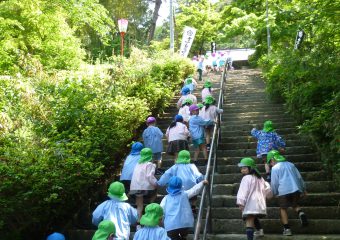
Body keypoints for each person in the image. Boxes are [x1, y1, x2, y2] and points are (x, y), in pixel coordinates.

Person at [267, 150, 308, 236]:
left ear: (272, 160)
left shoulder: (275, 168)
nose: (270, 165)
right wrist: (303, 189)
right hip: (296, 188)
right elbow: (299, 177)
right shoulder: (291, 164)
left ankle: (287, 229)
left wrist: (274, 192)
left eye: (270, 162)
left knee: (283, 208)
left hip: (283, 190)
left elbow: (274, 183)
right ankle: (301, 213)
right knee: (295, 205)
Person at [157, 150, 204, 214]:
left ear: (178, 157)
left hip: (179, 187)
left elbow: (166, 174)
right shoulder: (192, 166)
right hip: (191, 186)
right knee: (194, 194)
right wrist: (201, 182)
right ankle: (193, 206)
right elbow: (199, 176)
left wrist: (160, 182)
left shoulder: (175, 167)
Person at [236, 157, 272, 240]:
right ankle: (260, 230)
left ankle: (250, 238)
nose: (242, 170)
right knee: (253, 216)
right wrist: (269, 196)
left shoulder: (246, 178)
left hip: (250, 202)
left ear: (250, 168)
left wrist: (241, 202)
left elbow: (243, 191)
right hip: (259, 203)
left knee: (249, 220)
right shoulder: (260, 178)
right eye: (241, 168)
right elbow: (267, 188)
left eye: (244, 168)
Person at [130, 148, 158, 227]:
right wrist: (156, 183)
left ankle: (139, 220)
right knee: (155, 192)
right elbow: (150, 176)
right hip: (146, 187)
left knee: (139, 204)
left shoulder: (137, 164)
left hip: (135, 187)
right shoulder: (150, 164)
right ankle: (150, 209)